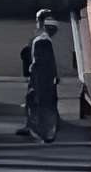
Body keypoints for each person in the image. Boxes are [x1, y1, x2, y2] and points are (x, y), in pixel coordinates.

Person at [18, 10, 62, 143]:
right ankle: (42, 129)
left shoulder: (41, 39)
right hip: (42, 79)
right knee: (40, 103)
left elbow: (39, 62)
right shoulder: (43, 39)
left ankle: (46, 132)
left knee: (41, 104)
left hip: (41, 79)